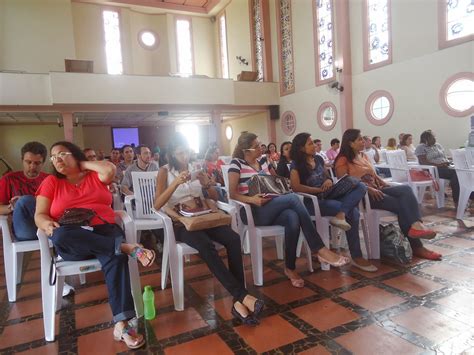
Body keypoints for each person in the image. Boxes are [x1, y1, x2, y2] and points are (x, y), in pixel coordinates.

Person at [35, 141, 155, 349]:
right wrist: (45, 224)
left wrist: (83, 164)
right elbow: (39, 215)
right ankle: (124, 246)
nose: (57, 160)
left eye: (62, 154)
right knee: (61, 235)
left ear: (75, 155)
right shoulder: (51, 182)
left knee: (115, 257)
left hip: (104, 229)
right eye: (53, 157)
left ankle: (122, 324)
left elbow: (110, 169)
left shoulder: (93, 176)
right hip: (73, 237)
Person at [154, 133, 264, 326]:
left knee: (233, 239)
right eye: (180, 153)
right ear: (171, 154)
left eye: (187, 152)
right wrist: (175, 183)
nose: (185, 157)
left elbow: (213, 195)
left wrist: (208, 184)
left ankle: (239, 301)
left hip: (204, 216)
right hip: (182, 223)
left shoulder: (196, 168)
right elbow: (157, 204)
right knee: (206, 245)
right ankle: (241, 297)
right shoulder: (164, 171)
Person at [228, 132, 350, 288]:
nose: (261, 148)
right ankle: (319, 248)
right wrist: (252, 199)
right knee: (293, 198)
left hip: (271, 205)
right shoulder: (236, 164)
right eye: (257, 146)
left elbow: (276, 181)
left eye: (260, 144)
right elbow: (232, 194)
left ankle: (290, 268)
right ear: (247, 150)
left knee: (292, 217)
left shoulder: (264, 161)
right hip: (252, 211)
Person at [335, 129, 442, 261]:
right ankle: (417, 246)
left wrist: (381, 182)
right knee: (402, 205)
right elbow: (345, 183)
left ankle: (416, 225)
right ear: (350, 143)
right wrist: (368, 188)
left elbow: (373, 175)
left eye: (363, 139)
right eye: (360, 139)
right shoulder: (343, 160)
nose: (363, 142)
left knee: (406, 190)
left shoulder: (363, 156)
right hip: (362, 196)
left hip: (377, 189)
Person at [290, 133, 376, 272]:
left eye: (313, 143)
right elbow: (295, 187)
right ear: (301, 148)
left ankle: (341, 215)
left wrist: (328, 180)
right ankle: (357, 256)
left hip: (327, 193)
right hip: (312, 201)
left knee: (360, 185)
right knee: (353, 212)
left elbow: (327, 176)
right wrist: (317, 190)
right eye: (310, 144)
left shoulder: (318, 159)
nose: (314, 146)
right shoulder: (296, 164)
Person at [0, 142, 48, 241]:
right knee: (24, 201)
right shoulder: (8, 179)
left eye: (37, 163)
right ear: (22, 160)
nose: (32, 166)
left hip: (47, 226)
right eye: (28, 162)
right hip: (24, 229)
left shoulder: (49, 180)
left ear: (43, 162)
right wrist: (13, 207)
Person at [415, 130, 472, 207]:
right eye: (433, 137)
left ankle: (470, 196)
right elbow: (423, 162)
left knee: (464, 171)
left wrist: (450, 162)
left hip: (445, 166)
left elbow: (444, 157)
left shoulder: (438, 145)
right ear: (426, 138)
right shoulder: (421, 147)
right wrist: (440, 165)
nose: (435, 138)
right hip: (433, 170)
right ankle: (458, 201)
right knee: (456, 174)